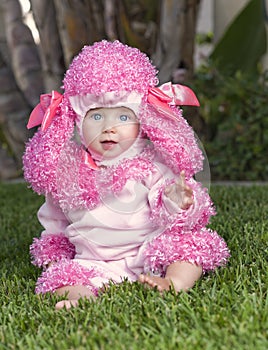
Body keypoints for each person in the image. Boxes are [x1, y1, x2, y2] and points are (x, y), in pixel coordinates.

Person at [23, 40, 229, 310]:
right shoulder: (67, 171)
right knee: (58, 279)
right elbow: (54, 220)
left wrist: (177, 199)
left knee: (190, 247)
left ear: (142, 121)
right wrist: (54, 253)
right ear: (77, 120)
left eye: (122, 118)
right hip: (92, 261)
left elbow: (164, 200)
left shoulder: (151, 164)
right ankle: (78, 295)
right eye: (96, 117)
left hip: (150, 252)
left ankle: (174, 282)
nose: (109, 128)